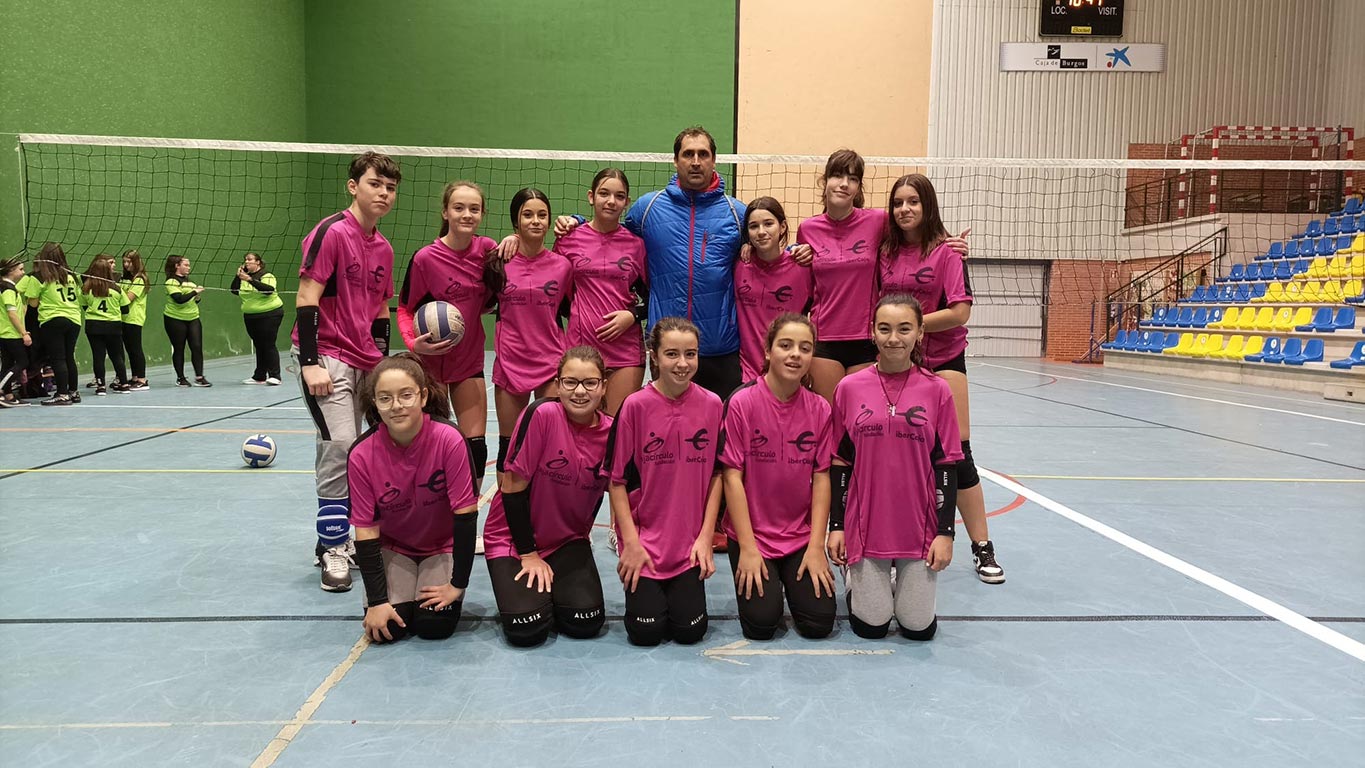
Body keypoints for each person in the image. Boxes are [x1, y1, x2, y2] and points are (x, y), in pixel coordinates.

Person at [533, 127, 812, 399]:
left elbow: (766, 248)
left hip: (719, 348)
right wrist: (577, 222)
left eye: (703, 154)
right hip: (666, 346)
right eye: (688, 154)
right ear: (676, 160)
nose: (695, 161)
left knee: (720, 425)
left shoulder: (736, 212)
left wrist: (794, 251)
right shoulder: (647, 208)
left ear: (714, 160)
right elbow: (610, 235)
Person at [878, 174, 1004, 584]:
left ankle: (982, 545)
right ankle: (895, 542)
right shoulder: (886, 253)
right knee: (896, 450)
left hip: (943, 358)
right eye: (898, 202)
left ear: (927, 205)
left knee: (958, 452)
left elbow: (960, 312)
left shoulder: (947, 253)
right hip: (899, 361)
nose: (905, 209)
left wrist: (911, 326)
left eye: (913, 201)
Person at [295, 151, 401, 593]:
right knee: (338, 446)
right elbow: (307, 296)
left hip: (366, 361)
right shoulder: (332, 232)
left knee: (368, 452)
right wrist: (310, 363)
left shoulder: (385, 248)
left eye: (391, 188)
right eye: (375, 183)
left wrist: (383, 365)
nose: (384, 193)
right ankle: (333, 547)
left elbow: (380, 309)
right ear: (353, 186)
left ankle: (350, 537)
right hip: (328, 356)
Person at [828, 294, 962, 641]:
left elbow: (947, 464)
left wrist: (945, 533)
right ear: (872, 332)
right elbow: (840, 462)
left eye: (904, 329)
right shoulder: (848, 388)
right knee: (870, 627)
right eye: (884, 328)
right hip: (865, 524)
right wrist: (837, 526)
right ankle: (856, 577)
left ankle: (896, 582)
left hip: (919, 526)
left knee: (918, 628)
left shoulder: (938, 390)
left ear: (919, 333)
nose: (893, 338)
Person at [800, 150, 969, 403]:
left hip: (867, 339)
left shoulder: (878, 221)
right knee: (830, 415)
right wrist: (760, 249)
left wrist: (952, 243)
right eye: (837, 176)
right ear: (825, 181)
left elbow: (918, 229)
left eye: (853, 179)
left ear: (859, 188)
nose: (844, 184)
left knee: (863, 413)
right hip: (825, 338)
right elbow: (798, 272)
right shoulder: (807, 229)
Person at [483, 346, 613, 647]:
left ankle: (557, 590)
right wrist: (528, 554)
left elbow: (624, 490)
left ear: (603, 386)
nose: (579, 391)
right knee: (527, 629)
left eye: (590, 383)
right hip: (513, 540)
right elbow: (512, 490)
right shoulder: (541, 415)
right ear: (558, 384)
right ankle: (535, 593)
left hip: (567, 539)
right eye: (570, 382)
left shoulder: (611, 432)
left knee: (585, 622)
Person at [606, 317, 723, 646]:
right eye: (672, 354)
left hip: (689, 547)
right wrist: (631, 543)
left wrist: (705, 538)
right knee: (645, 633)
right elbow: (616, 482)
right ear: (654, 356)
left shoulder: (713, 405)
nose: (683, 364)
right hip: (644, 545)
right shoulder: (635, 406)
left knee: (690, 631)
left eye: (690, 354)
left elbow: (717, 475)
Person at [348, 353, 479, 643]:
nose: (396, 406)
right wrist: (377, 600)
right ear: (375, 403)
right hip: (394, 549)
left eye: (406, 395)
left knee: (434, 625)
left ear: (423, 396)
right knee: (388, 629)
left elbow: (466, 515)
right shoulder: (361, 454)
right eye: (385, 398)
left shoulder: (449, 439)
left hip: (441, 547)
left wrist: (457, 584)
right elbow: (366, 531)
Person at [720, 313, 836, 640]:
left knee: (818, 624)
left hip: (799, 535)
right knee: (761, 624)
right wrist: (747, 548)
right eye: (786, 345)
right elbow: (731, 478)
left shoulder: (820, 409)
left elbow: (822, 479)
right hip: (753, 535)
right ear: (768, 351)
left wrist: (816, 546)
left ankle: (790, 577)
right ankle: (771, 583)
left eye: (805, 348)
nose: (795, 354)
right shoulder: (741, 403)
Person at [397, 180, 497, 493]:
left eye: (474, 209)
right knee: (430, 446)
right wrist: (413, 343)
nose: (467, 214)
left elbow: (494, 294)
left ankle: (467, 512)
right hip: (431, 366)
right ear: (445, 212)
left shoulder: (488, 251)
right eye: (459, 207)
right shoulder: (425, 258)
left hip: (468, 362)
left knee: (475, 447)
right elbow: (405, 309)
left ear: (482, 214)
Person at [489, 188, 573, 474]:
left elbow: (571, 308)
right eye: (527, 215)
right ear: (516, 221)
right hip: (510, 361)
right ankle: (504, 504)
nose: (535, 221)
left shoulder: (563, 266)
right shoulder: (498, 262)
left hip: (551, 362)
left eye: (542, 215)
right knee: (509, 446)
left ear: (549, 221)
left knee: (551, 445)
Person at [556, 169, 648, 416]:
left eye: (619, 196)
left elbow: (655, 296)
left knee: (616, 427)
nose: (611, 201)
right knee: (579, 424)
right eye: (604, 193)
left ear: (627, 202)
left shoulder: (636, 245)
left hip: (625, 352)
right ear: (591, 196)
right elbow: (555, 293)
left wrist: (633, 315)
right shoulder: (568, 239)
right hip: (581, 349)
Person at [734, 198, 813, 383]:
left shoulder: (803, 267)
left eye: (768, 224)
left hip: (789, 373)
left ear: (782, 227)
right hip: (747, 374)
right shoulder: (739, 265)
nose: (761, 232)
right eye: (754, 226)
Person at [23, 242, 82, 406]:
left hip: (52, 319)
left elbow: (33, 303)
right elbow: (77, 295)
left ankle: (62, 394)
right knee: (69, 357)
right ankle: (73, 392)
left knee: (58, 358)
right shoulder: (71, 275)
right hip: (74, 319)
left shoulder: (39, 276)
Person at [231, 252, 285, 385]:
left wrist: (249, 279)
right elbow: (234, 290)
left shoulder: (267, 275)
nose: (246, 262)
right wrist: (238, 276)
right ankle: (259, 376)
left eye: (250, 259)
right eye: (245, 260)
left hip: (270, 313)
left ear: (258, 262)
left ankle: (275, 376)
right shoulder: (244, 277)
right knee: (259, 345)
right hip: (251, 315)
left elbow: (268, 290)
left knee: (268, 344)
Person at [80, 254, 130, 395]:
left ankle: (101, 386)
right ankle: (124, 384)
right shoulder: (117, 289)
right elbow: (125, 309)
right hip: (113, 325)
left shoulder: (86, 288)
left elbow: (84, 306)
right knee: (117, 356)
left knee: (98, 356)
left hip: (94, 325)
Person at [163, 254, 211, 387]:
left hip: (193, 318)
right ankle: (181, 378)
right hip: (175, 318)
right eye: (186, 265)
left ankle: (199, 377)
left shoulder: (190, 282)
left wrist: (197, 297)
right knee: (179, 348)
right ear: (177, 266)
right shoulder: (171, 282)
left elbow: (193, 301)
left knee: (197, 346)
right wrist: (194, 292)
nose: (189, 267)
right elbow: (179, 299)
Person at [0, 256, 31, 407]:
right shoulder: (8, 289)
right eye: (21, 269)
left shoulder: (8, 287)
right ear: (11, 271)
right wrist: (23, 333)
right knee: (23, 361)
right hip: (9, 333)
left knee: (7, 364)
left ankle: (9, 396)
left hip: (6, 332)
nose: (23, 272)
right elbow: (11, 313)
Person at [119, 250, 150, 391]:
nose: (126, 264)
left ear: (136, 262)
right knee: (130, 350)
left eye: (129, 261)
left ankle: (142, 379)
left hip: (134, 318)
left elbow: (127, 299)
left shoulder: (139, 279)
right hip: (123, 318)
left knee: (136, 349)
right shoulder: (125, 278)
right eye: (124, 262)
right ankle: (135, 377)